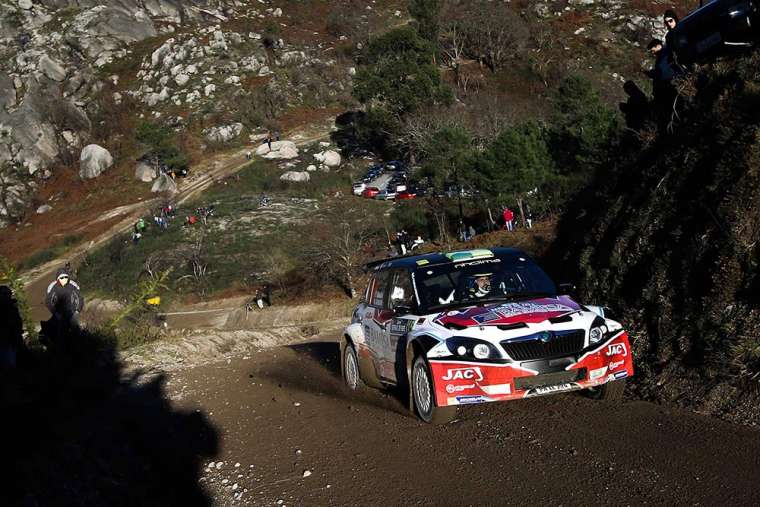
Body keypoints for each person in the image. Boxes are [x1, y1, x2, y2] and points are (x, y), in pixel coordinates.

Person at [45, 268, 85, 342]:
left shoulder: (72, 284)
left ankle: (80, 347)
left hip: (72, 313)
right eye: (62, 277)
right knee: (61, 333)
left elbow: (80, 298)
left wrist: (77, 311)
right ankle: (62, 349)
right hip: (59, 314)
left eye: (66, 277)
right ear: (58, 278)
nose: (64, 279)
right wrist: (56, 313)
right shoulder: (52, 287)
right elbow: (48, 302)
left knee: (76, 332)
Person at [0, 285, 24, 369]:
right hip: (5, 341)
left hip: (15, 339)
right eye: (4, 294)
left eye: (8, 293)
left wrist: (18, 331)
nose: (7, 295)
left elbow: (17, 321)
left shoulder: (12, 307)